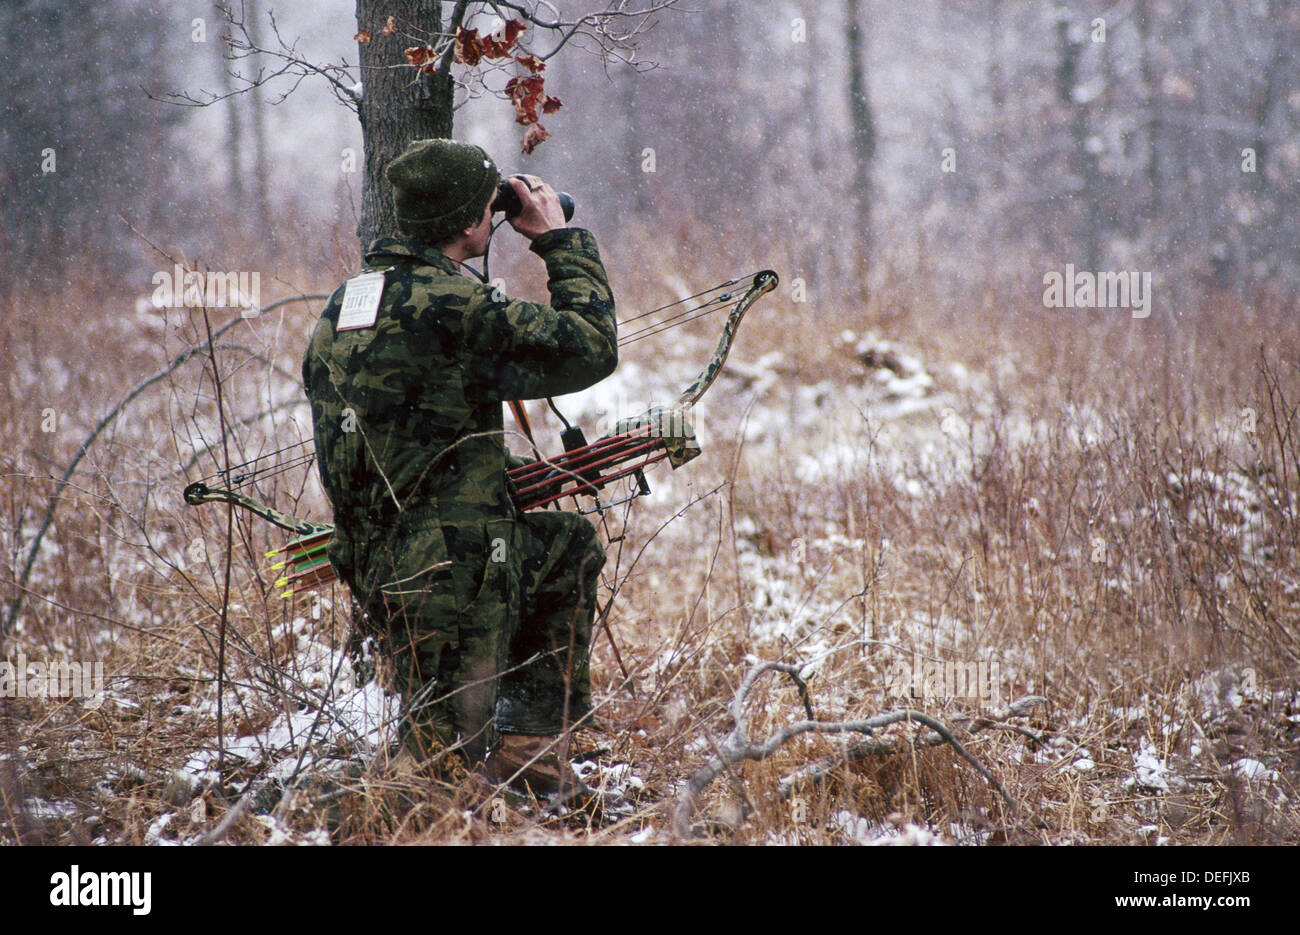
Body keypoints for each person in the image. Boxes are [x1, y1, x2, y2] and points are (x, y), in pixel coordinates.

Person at [301, 138, 616, 794]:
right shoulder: (454, 304)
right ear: (471, 221)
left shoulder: (346, 304)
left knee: (562, 546)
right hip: (455, 568)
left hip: (376, 561)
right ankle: (494, 769)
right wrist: (559, 239)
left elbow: (409, 417)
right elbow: (590, 347)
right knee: (432, 776)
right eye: (487, 206)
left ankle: (522, 759)